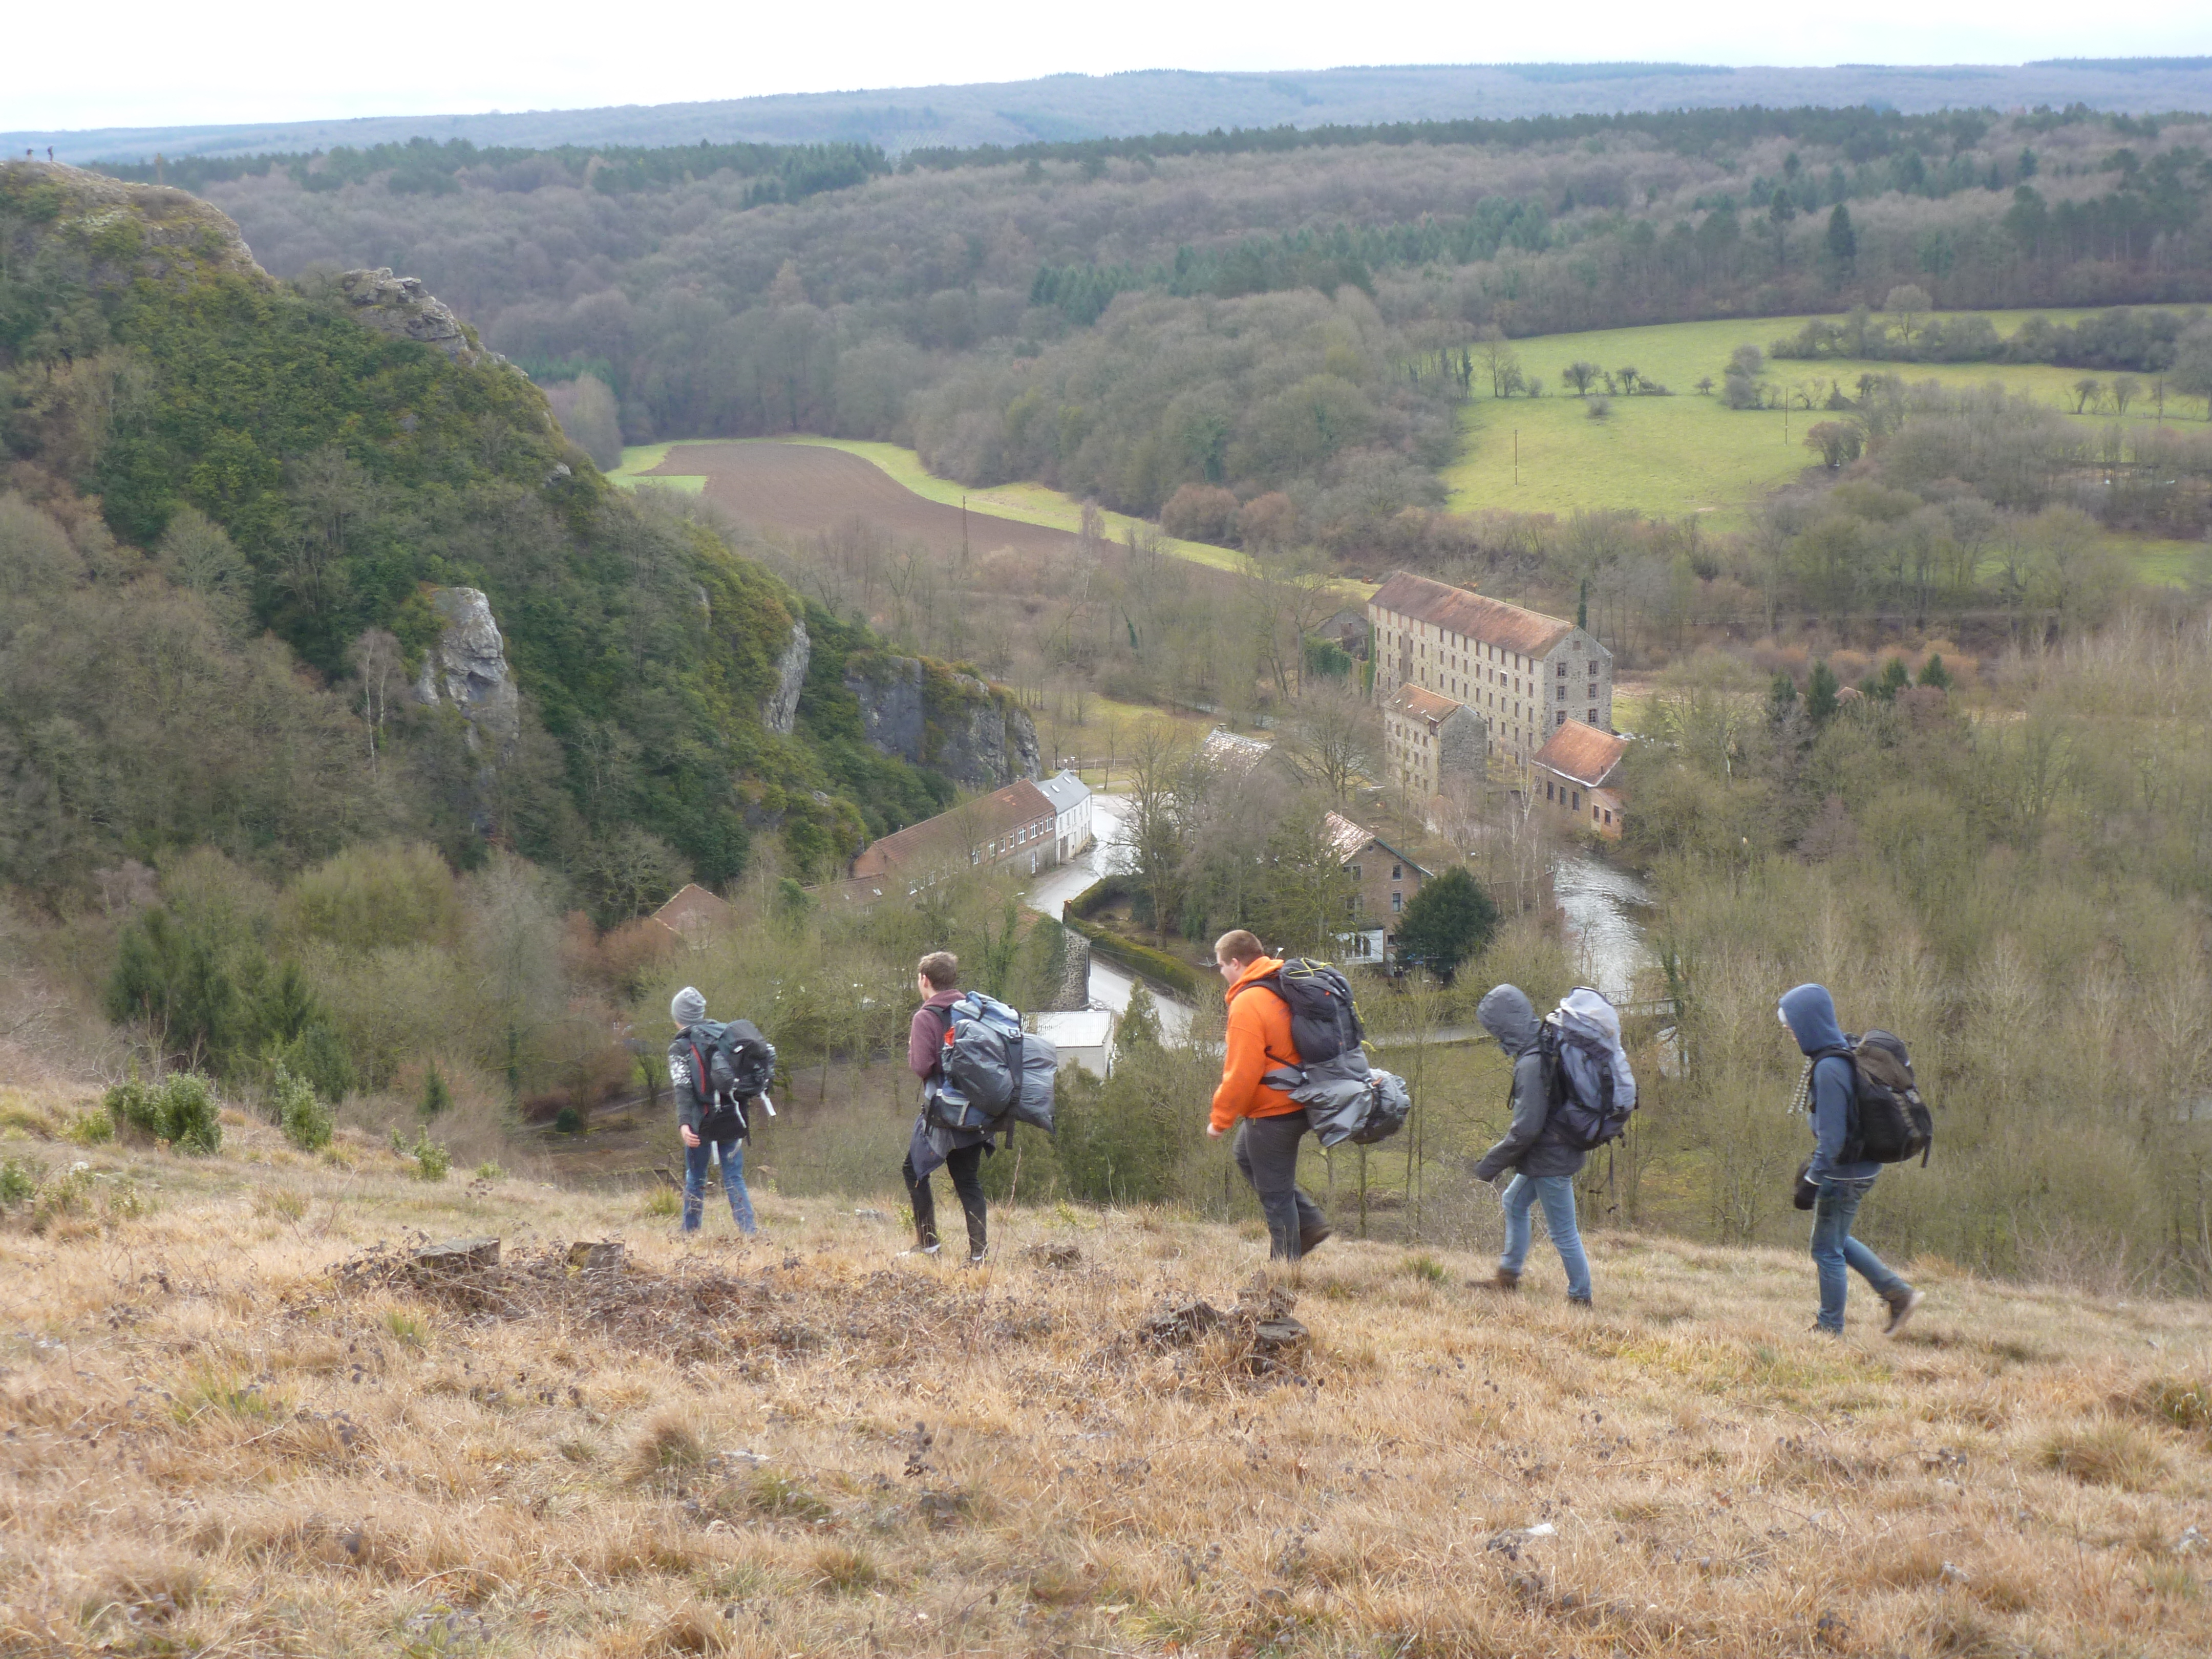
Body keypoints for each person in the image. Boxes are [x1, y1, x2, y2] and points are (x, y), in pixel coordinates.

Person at [1779, 983, 1923, 1336]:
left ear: (1809, 1023)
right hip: (1859, 1167)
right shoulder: (1841, 1049)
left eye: (1791, 1026)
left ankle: (1830, 1328)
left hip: (1845, 1174)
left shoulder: (1830, 1069)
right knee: (1836, 1240)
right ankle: (1899, 1294)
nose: (1790, 1034)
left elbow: (1833, 1140)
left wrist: (1812, 1181)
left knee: (1826, 1251)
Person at [1207, 930, 1330, 1260]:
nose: (1222, 972)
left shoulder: (1248, 1003)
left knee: (1276, 1196)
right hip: (1302, 1098)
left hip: (1274, 1110)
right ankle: (1311, 1222)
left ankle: (1284, 1272)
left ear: (1236, 963)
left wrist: (1220, 1120)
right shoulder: (1281, 982)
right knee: (1245, 1155)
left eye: (1221, 966)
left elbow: (1241, 1072)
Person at [1471, 984, 1593, 1305]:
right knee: (1514, 1201)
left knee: (1563, 1233)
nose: (1495, 1038)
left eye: (1495, 1031)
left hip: (1551, 1159)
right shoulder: (1544, 1042)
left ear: (1505, 1027)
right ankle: (1508, 1277)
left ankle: (1581, 1298)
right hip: (1549, 1152)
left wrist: (1489, 1165)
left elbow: (1526, 1129)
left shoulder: (1532, 1063)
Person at [904, 951, 990, 1263]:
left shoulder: (926, 1017)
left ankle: (929, 1245)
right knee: (967, 1180)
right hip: (978, 1107)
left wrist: (913, 1052)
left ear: (925, 980)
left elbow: (923, 1066)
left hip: (944, 1111)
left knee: (914, 1170)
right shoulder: (974, 1009)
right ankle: (979, 1255)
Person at [667, 986, 759, 1238]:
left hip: (702, 1121)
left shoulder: (681, 1047)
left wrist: (684, 1123)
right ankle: (749, 1232)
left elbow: (683, 1089)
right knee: (734, 1177)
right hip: (734, 1116)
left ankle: (689, 1233)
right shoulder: (725, 1035)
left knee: (696, 1177)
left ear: (679, 1017)